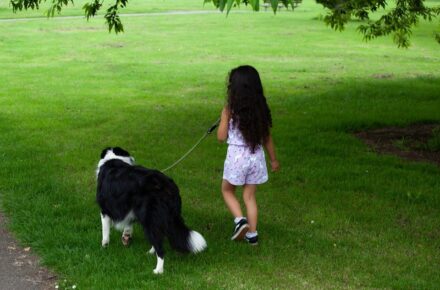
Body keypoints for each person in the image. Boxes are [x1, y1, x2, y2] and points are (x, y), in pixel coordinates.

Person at [217, 65, 279, 246]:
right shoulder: (260, 110)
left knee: (227, 190)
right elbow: (267, 138)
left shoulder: (230, 110)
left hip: (237, 158)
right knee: (249, 196)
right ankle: (252, 234)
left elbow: (221, 137)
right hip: (256, 158)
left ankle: (240, 220)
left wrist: (224, 117)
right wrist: (274, 160)